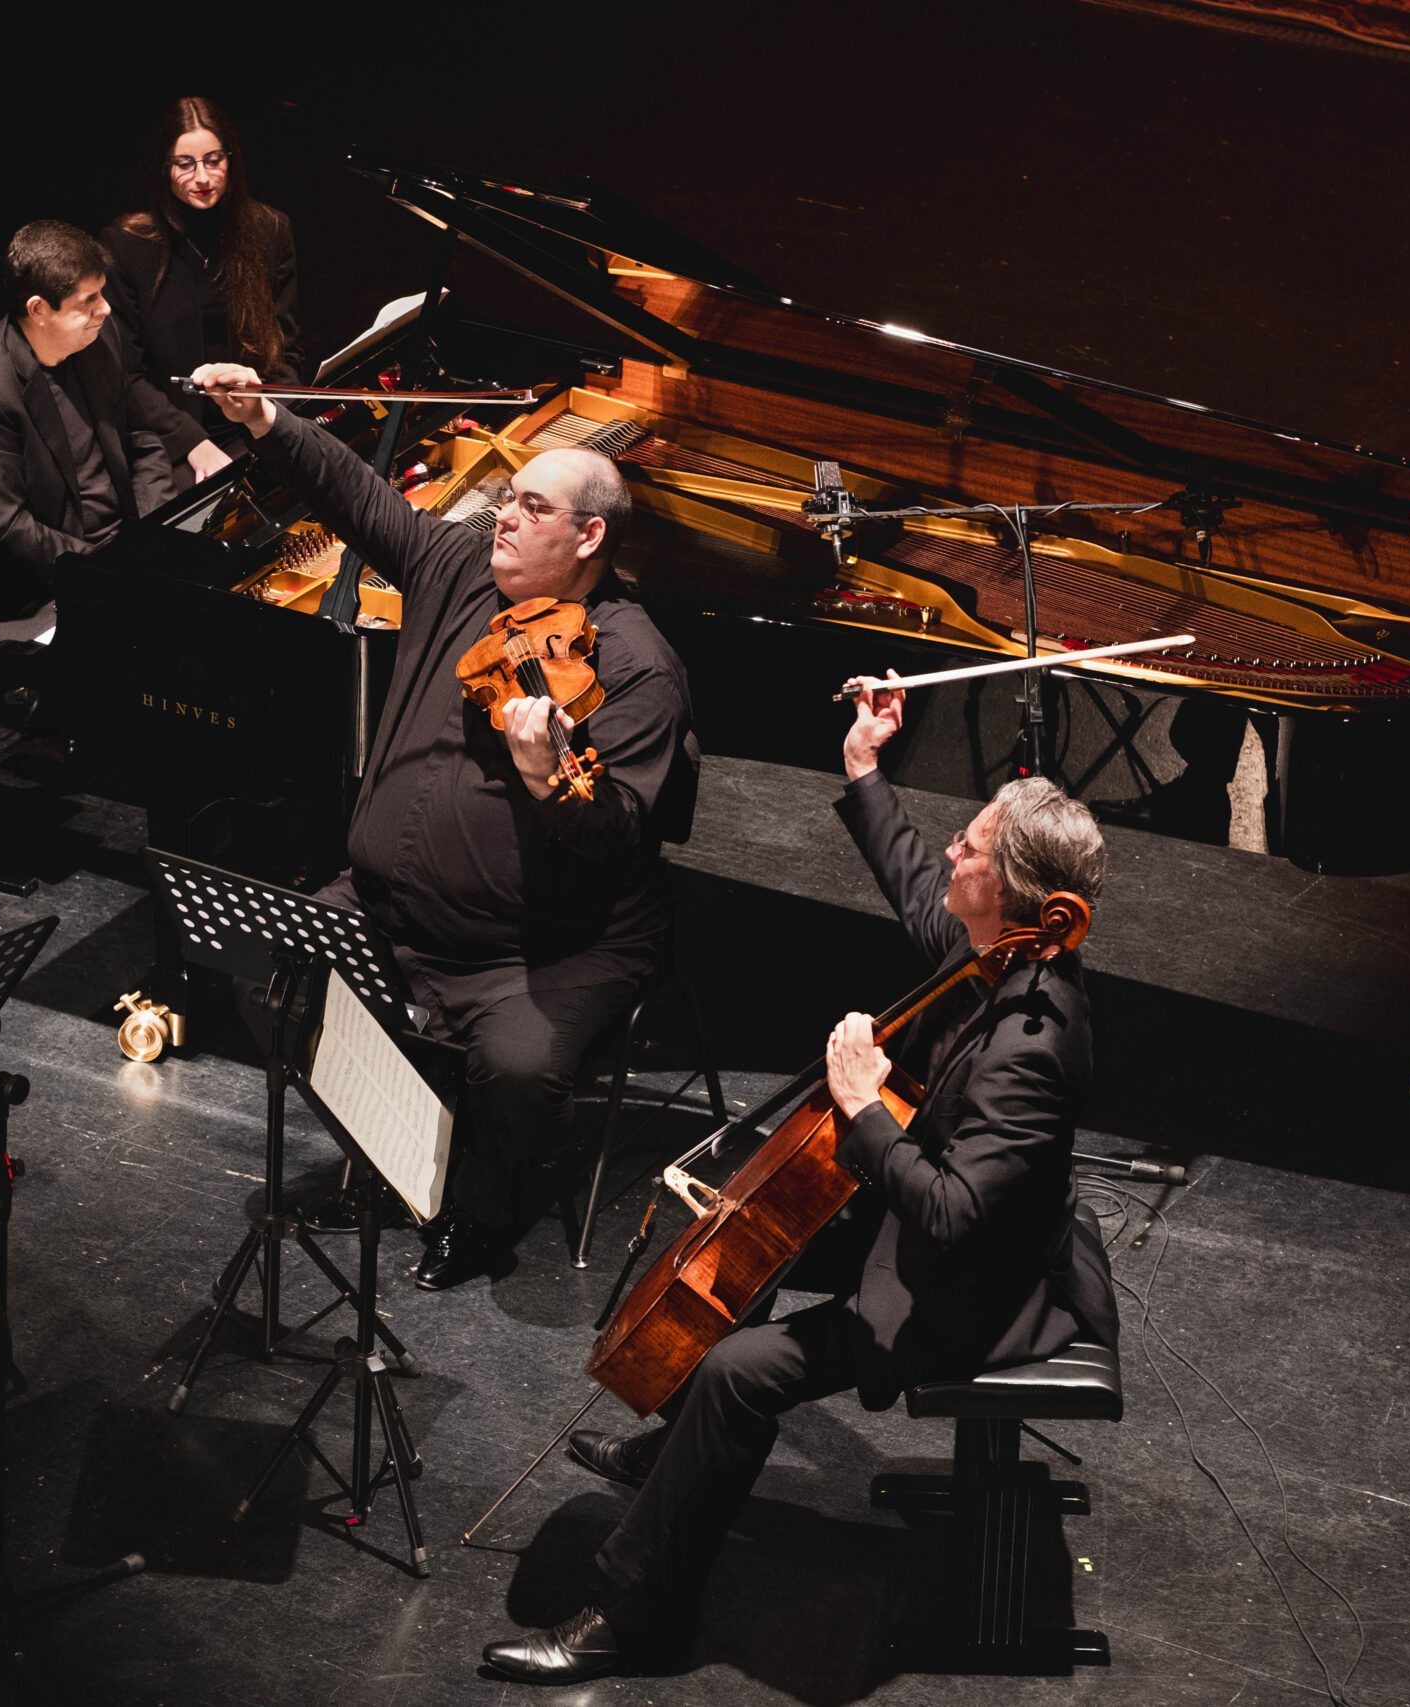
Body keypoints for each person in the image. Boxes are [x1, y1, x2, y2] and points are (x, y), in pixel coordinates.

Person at [479, 675, 1120, 1683]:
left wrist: (864, 1104)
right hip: (941, 1228)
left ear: (1017, 895)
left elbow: (952, 1215)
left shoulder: (1031, 1043)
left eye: (973, 849)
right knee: (752, 1223)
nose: (952, 851)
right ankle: (669, 1453)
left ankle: (631, 1617)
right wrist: (864, 763)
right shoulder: (990, 952)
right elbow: (915, 877)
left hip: (972, 1293)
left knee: (742, 1372)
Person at [195, 363, 697, 1291]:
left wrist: (551, 780)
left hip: (536, 945)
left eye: (531, 506)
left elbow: (621, 831)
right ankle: (392, 1157)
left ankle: (479, 1211)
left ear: (589, 536)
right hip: (388, 905)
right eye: (507, 497)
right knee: (266, 975)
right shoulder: (458, 564)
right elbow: (356, 495)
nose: (504, 513)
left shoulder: (634, 665)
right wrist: (266, 417)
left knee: (516, 1064)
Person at [0, 220, 191, 648]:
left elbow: (143, 440)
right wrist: (105, 567)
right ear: (40, 309)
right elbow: (5, 528)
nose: (106, 309)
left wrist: (154, 534)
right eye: (89, 300)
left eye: (102, 293)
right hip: (32, 581)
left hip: (124, 550)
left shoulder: (98, 339)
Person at [101, 96, 300, 488]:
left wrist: (270, 419)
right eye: (185, 164)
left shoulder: (270, 229)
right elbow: (128, 375)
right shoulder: (125, 246)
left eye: (213, 160)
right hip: (170, 437)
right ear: (164, 167)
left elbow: (287, 352)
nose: (203, 178)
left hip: (256, 420)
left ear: (231, 158)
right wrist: (193, 443)